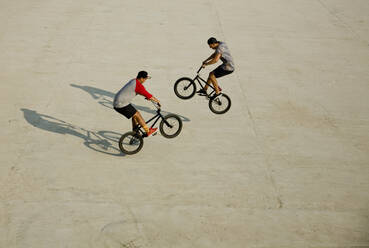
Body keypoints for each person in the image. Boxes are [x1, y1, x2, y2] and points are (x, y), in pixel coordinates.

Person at [113, 71, 160, 136]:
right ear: (141, 78)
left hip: (119, 101)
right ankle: (148, 131)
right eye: (145, 79)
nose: (145, 80)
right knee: (137, 114)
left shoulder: (133, 81)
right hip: (121, 104)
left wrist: (147, 96)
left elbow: (139, 92)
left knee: (134, 115)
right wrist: (157, 101)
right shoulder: (138, 86)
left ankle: (135, 132)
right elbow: (148, 95)